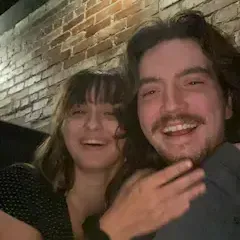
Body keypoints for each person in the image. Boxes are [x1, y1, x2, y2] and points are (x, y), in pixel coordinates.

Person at [0, 70, 205, 240]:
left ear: (133, 130)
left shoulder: (152, 207)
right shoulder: (21, 185)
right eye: (78, 112)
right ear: (62, 128)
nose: (92, 124)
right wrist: (112, 230)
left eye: (110, 114)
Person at [105, 10, 240, 240]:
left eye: (192, 82)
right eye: (151, 91)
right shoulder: (134, 198)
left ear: (227, 102)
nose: (171, 106)